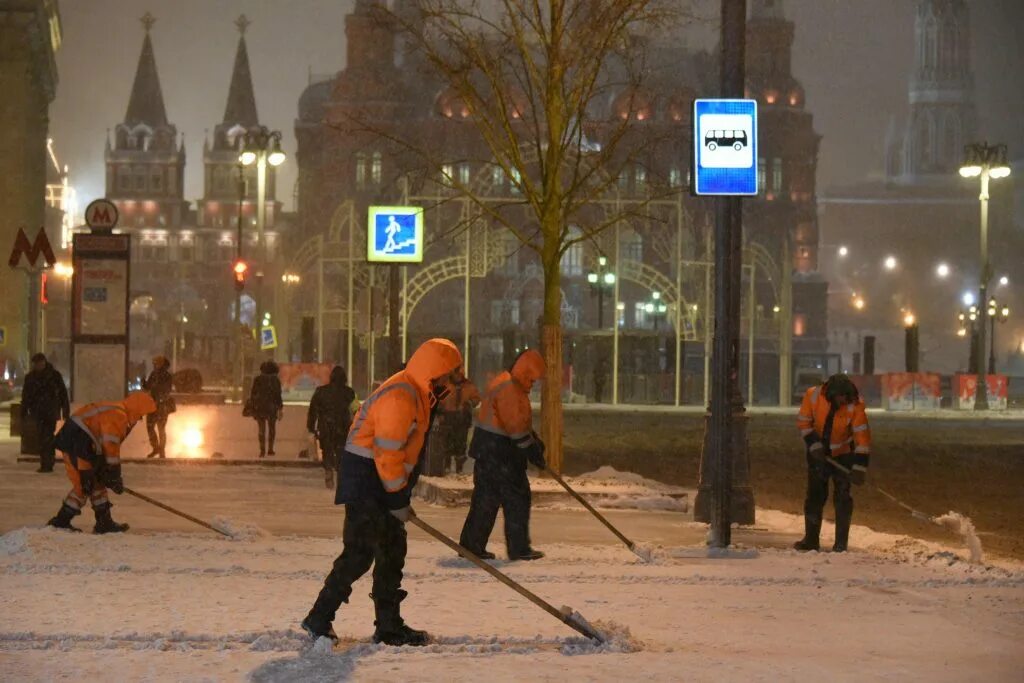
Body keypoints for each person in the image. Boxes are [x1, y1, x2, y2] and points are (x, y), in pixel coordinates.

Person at [302, 338, 463, 647]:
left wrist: (398, 495)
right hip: (368, 481)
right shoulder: (401, 395)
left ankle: (389, 626)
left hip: (381, 482)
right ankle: (320, 617)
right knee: (360, 553)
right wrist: (396, 499)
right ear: (436, 372)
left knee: (391, 551)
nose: (453, 382)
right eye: (451, 375)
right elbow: (387, 454)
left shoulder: (420, 393)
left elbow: (404, 451)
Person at [459, 349, 547, 562]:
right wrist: (532, 450)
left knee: (485, 501)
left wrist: (534, 439)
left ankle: (471, 546)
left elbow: (518, 421)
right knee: (517, 498)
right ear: (524, 373)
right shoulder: (509, 388)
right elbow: (515, 428)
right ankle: (519, 549)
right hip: (501, 454)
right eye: (532, 380)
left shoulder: (507, 383)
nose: (533, 384)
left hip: (489, 451)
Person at [47, 391, 157, 534]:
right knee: (84, 484)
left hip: (84, 443)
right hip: (78, 442)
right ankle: (61, 521)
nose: (141, 418)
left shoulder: (118, 411)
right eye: (141, 414)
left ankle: (104, 522)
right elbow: (111, 445)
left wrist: (108, 474)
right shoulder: (119, 415)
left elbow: (106, 445)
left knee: (96, 482)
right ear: (136, 408)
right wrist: (114, 475)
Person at [794, 373, 872, 553]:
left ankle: (840, 544)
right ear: (832, 394)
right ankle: (811, 540)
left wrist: (859, 468)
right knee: (815, 496)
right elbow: (804, 422)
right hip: (818, 454)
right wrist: (814, 444)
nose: (844, 400)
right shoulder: (812, 395)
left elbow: (862, 439)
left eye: (847, 397)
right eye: (841, 397)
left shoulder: (856, 405)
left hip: (844, 454)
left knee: (843, 497)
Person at [307, 366, 358, 488]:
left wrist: (311, 427)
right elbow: (356, 410)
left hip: (325, 427)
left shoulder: (321, 391)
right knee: (341, 452)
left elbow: (312, 410)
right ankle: (341, 476)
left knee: (327, 451)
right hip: (343, 427)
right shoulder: (349, 392)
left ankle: (328, 473)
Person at [20, 353, 70, 473]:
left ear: (44, 362)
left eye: (40, 363)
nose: (39, 365)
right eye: (37, 364)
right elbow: (26, 396)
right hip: (38, 412)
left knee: (46, 436)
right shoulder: (31, 377)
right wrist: (24, 411)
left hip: (50, 411)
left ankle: (47, 464)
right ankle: (47, 462)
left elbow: (63, 394)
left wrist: (65, 411)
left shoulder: (54, 376)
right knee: (43, 437)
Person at [436, 375, 480, 474]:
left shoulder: (468, 386)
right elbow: (438, 400)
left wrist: (469, 403)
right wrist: (440, 413)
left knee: (461, 443)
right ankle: (447, 465)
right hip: (448, 417)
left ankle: (459, 467)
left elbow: (476, 398)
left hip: (462, 418)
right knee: (447, 442)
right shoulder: (446, 385)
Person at [249, 360, 283, 457]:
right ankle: (270, 449)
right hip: (272, 407)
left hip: (260, 407)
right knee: (272, 428)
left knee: (261, 429)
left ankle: (262, 450)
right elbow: (278, 395)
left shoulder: (258, 379)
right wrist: (280, 407)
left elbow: (253, 394)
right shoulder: (275, 380)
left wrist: (253, 405)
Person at [143, 355, 174, 458]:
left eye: (155, 363)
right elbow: (148, 387)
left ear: (160, 364)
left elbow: (166, 391)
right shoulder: (154, 374)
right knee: (150, 427)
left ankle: (161, 450)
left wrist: (159, 399)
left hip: (162, 406)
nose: (154, 365)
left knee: (160, 428)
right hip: (153, 405)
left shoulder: (166, 376)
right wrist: (144, 383)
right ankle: (156, 448)